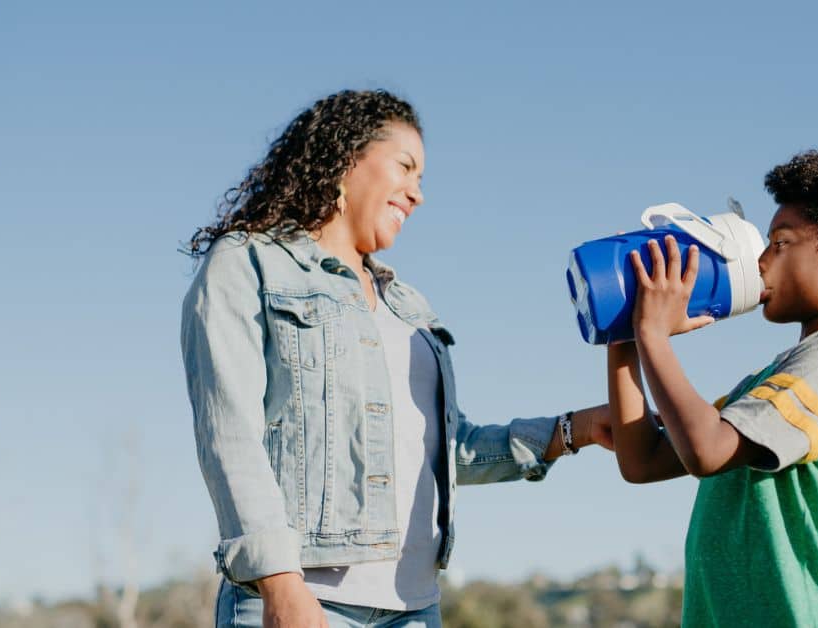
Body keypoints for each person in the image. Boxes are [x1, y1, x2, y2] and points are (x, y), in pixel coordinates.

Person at [180, 89, 611, 628]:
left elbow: (442, 451)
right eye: (405, 167)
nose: (418, 194)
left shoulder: (408, 307)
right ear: (345, 160)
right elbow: (230, 437)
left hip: (414, 608)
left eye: (422, 179)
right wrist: (282, 586)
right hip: (306, 600)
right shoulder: (247, 264)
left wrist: (574, 430)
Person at [606, 150, 818, 626]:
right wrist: (627, 336)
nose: (759, 261)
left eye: (780, 243)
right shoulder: (771, 382)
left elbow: (706, 449)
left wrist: (654, 334)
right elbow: (642, 460)